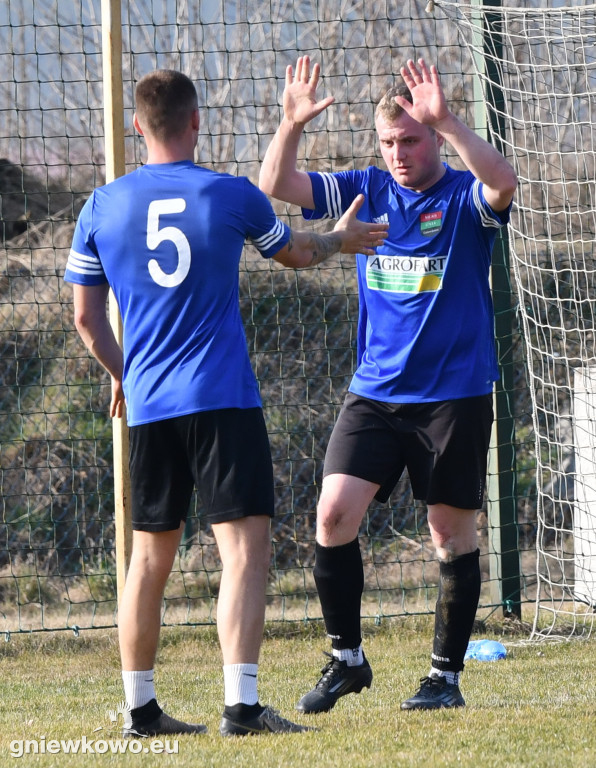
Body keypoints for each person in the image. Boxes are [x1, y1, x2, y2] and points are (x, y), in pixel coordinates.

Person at [64, 69, 388, 737]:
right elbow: (297, 252)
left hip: (151, 406)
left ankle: (139, 710)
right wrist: (340, 241)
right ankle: (240, 706)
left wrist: (124, 374)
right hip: (220, 399)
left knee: (149, 558)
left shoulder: (101, 205)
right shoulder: (230, 194)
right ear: (196, 122)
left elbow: (86, 321)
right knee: (243, 553)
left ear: (137, 127)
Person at [259, 56, 517, 712]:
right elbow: (276, 183)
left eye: (411, 139)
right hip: (374, 391)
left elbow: (504, 182)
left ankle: (444, 678)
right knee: (333, 514)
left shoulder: (461, 196)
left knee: (447, 534)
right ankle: (347, 659)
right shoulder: (366, 189)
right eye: (389, 143)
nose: (399, 154)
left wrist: (450, 120)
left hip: (453, 394)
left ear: (431, 138)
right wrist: (291, 124)